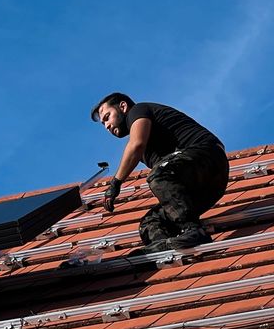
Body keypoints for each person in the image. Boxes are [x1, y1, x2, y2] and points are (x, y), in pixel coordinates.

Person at [90, 93, 229, 250]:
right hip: (204, 187)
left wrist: (115, 183)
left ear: (123, 107)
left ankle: (193, 230)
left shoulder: (138, 110)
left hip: (207, 157)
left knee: (158, 174)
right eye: (103, 124)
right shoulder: (146, 152)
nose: (107, 126)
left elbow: (136, 145)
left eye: (107, 117)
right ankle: (165, 247)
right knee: (150, 223)